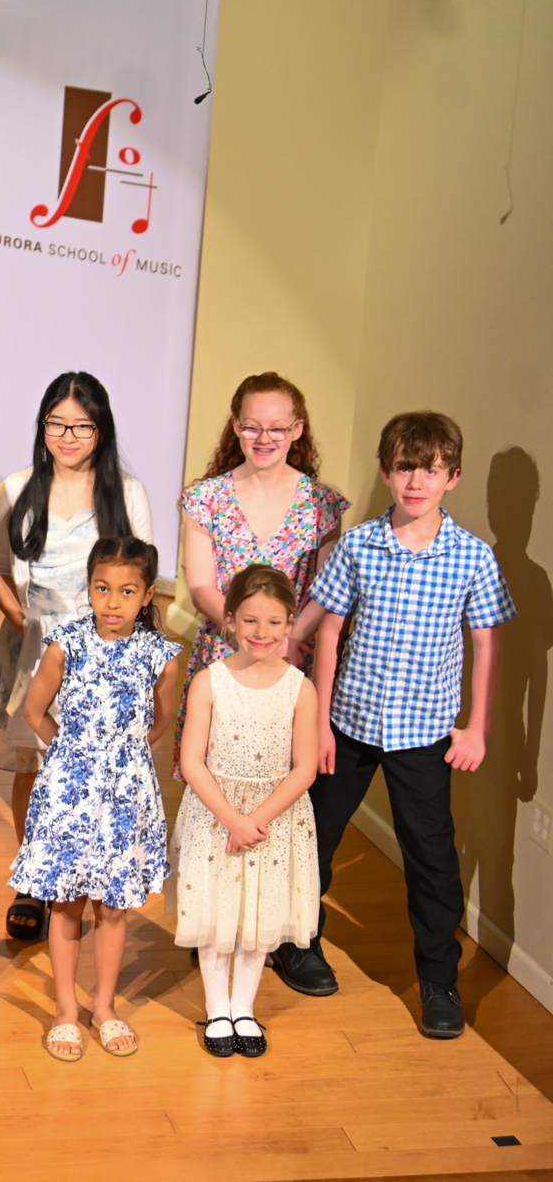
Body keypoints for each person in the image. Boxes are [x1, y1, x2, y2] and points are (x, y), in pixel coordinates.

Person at [285, 412, 515, 1034]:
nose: (416, 482)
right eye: (405, 468)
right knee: (314, 840)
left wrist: (477, 728)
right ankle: (297, 942)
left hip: (425, 734)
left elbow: (487, 646)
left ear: (452, 478)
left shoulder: (472, 558)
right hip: (348, 723)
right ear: (387, 472)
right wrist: (322, 724)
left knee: (432, 860)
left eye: (431, 470)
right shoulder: (359, 545)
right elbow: (329, 633)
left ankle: (440, 981)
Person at [0, 372, 153, 944]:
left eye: (81, 426)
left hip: (105, 651)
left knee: (97, 772)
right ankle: (34, 881)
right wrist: (28, 630)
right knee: (35, 767)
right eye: (56, 424)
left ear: (101, 430)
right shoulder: (16, 488)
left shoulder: (127, 493)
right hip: (33, 645)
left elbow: (143, 577)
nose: (68, 436)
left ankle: (90, 876)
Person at [8, 536, 182, 1061]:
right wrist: (72, 752)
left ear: (147, 595)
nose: (112, 601)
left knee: (113, 905)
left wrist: (121, 756)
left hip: (126, 795)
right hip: (70, 792)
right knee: (67, 902)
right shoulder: (66, 644)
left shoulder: (161, 657)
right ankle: (66, 1009)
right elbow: (34, 710)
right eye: (102, 588)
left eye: (127, 591)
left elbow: (160, 721)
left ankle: (104, 1006)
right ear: (88, 587)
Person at [171, 564, 320, 1059]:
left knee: (260, 913)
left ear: (290, 623)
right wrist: (232, 819)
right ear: (230, 620)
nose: (261, 632)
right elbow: (192, 760)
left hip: (274, 820)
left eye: (274, 622)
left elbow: (304, 768)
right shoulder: (209, 682)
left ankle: (244, 1008)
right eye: (250, 620)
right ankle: (217, 1010)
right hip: (215, 815)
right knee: (216, 912)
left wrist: (256, 820)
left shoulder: (300, 688)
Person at [178, 372, 347, 779]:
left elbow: (325, 590)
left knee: (282, 777)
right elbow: (200, 586)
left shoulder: (322, 504)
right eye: (252, 427)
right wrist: (246, 632)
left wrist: (287, 638)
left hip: (290, 657)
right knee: (214, 776)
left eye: (277, 428)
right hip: (225, 651)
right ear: (236, 426)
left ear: (297, 430)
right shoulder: (205, 499)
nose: (264, 438)